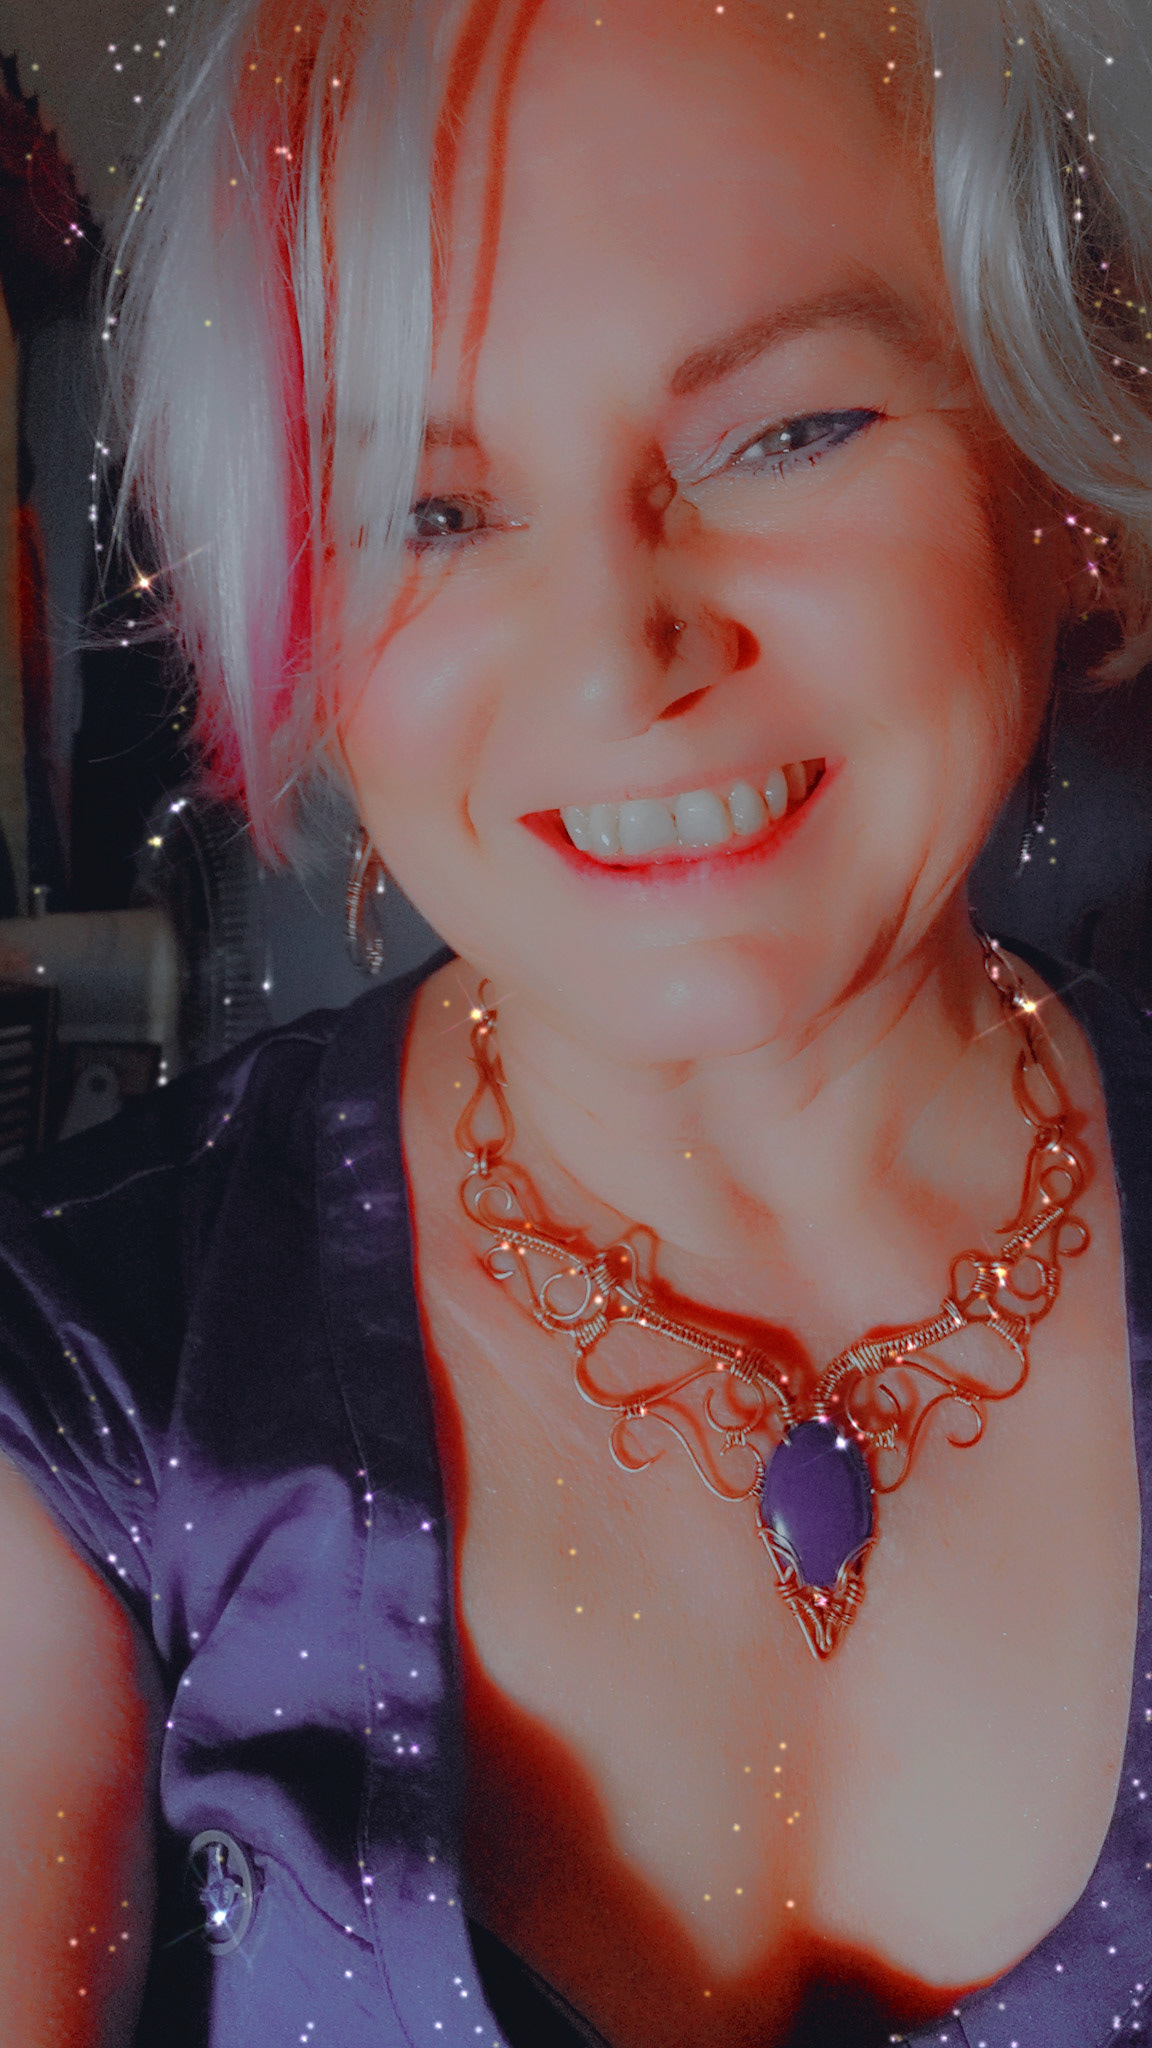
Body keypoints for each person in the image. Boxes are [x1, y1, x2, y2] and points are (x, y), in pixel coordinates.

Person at [3, 0, 1152, 2041]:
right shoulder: (84, 1379)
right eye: (431, 512)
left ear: (1057, 462)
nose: (621, 654)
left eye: (787, 433)